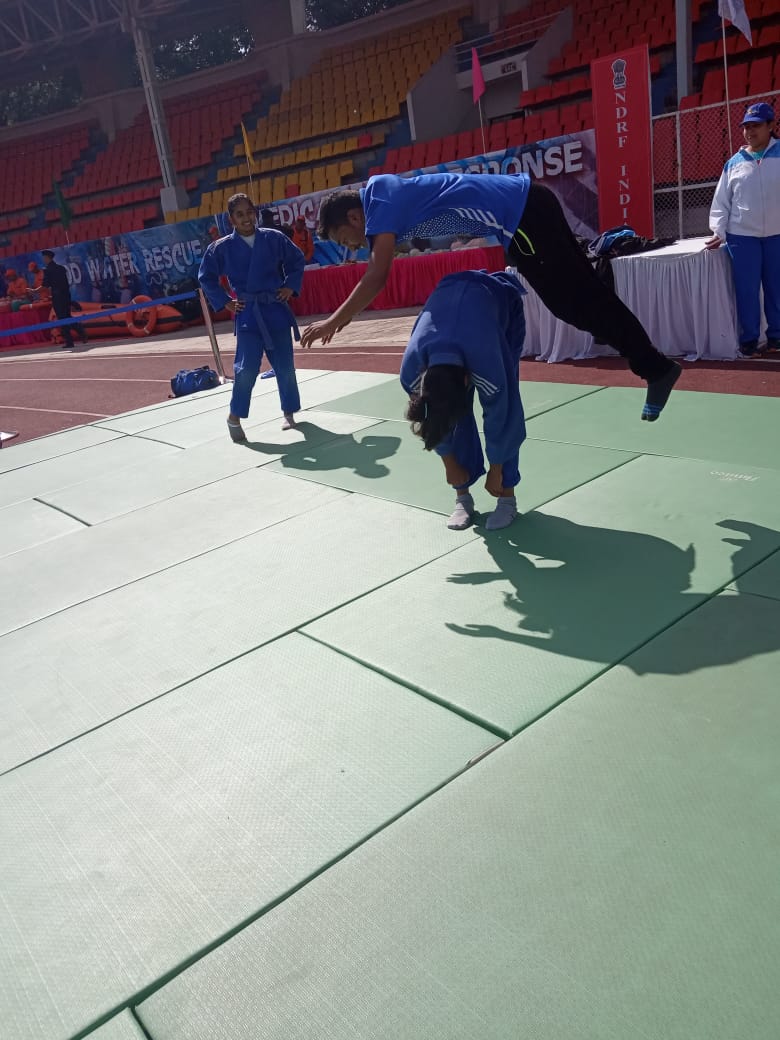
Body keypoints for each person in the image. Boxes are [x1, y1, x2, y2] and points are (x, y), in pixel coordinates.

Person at [301, 172, 682, 421]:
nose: (351, 247)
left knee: (574, 303)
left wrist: (334, 321)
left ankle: (655, 367)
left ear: (354, 218)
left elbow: (377, 275)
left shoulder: (379, 202)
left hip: (523, 215)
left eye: (344, 239)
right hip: (525, 212)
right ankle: (648, 360)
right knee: (581, 300)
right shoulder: (383, 196)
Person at [401, 269, 527, 531]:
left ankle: (507, 498)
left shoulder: (487, 362)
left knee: (504, 407)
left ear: (469, 379)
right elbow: (432, 419)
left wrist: (496, 470)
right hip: (452, 298)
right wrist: (450, 464)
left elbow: (503, 416)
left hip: (498, 304)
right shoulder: (412, 372)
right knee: (445, 413)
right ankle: (462, 497)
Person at [199, 192, 306, 441]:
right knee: (246, 368)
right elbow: (206, 277)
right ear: (231, 219)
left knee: (285, 366)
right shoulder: (221, 248)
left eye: (249, 212)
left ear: (255, 213)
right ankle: (234, 416)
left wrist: (290, 286)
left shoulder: (273, 238)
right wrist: (225, 301)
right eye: (240, 214)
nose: (246, 218)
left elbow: (296, 260)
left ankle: (289, 412)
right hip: (248, 312)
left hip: (275, 308)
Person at [705, 101, 780, 357]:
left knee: (776, 288)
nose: (750, 132)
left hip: (777, 235)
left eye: (756, 126)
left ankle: (776, 337)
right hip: (742, 237)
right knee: (747, 291)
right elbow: (721, 202)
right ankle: (749, 340)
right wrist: (718, 230)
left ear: (771, 126)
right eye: (746, 127)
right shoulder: (733, 163)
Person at [35, 251, 87, 349]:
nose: (43, 260)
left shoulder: (48, 270)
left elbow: (45, 285)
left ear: (47, 258)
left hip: (58, 297)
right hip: (66, 295)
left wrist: (34, 291)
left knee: (62, 318)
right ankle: (80, 331)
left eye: (44, 258)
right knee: (67, 316)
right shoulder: (61, 268)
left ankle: (70, 341)